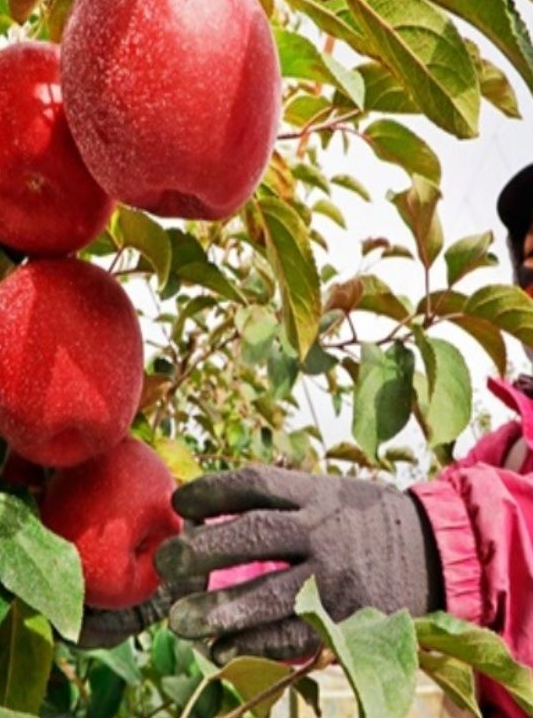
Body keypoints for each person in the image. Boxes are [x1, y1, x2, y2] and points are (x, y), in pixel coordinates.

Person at [81, 165, 533, 717]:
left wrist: (439, 549)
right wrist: (191, 558)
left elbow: (423, 553)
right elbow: (343, 565)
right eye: (531, 269)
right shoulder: (509, 451)